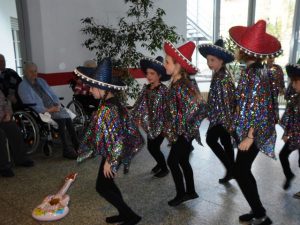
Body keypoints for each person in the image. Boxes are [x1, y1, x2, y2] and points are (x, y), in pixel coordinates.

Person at [75, 58, 144, 225]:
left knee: (102, 187)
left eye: (92, 87)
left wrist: (110, 161)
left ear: (101, 88)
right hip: (114, 151)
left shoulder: (108, 108)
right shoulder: (109, 102)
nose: (90, 90)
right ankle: (124, 213)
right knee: (107, 184)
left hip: (115, 152)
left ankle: (130, 216)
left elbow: (118, 137)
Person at [229, 20, 282, 225]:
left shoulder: (257, 74)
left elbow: (259, 108)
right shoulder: (253, 71)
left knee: (240, 170)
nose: (235, 49)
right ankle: (257, 209)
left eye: (238, 46)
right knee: (243, 170)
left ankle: (261, 215)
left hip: (254, 132)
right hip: (251, 129)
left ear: (245, 51)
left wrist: (250, 136)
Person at [163, 40, 207, 206]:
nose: (164, 65)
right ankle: (191, 191)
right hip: (181, 133)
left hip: (184, 133)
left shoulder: (183, 85)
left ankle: (182, 194)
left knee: (172, 161)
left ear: (178, 65)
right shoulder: (175, 82)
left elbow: (199, 107)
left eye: (167, 62)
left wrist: (182, 128)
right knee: (182, 161)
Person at [18, 62, 79, 159]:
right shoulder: (22, 86)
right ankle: (67, 150)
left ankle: (78, 147)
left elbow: (52, 94)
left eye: (35, 71)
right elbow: (30, 104)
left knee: (68, 119)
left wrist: (57, 103)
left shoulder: (41, 81)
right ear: (25, 72)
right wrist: (49, 109)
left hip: (54, 107)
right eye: (31, 72)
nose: (34, 74)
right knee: (62, 120)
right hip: (42, 111)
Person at [198, 39, 236, 184]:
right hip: (220, 117)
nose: (209, 63)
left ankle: (231, 169)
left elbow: (227, 102)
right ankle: (231, 170)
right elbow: (215, 98)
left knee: (211, 139)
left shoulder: (223, 77)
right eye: (208, 60)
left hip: (223, 118)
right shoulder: (219, 73)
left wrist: (227, 122)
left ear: (221, 60)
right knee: (226, 143)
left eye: (212, 60)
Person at [131, 56, 170, 178]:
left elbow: (169, 108)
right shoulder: (147, 88)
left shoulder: (164, 90)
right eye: (147, 73)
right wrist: (134, 117)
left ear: (159, 75)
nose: (148, 76)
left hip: (162, 125)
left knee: (153, 147)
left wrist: (167, 126)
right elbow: (139, 104)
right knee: (153, 147)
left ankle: (164, 168)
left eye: (152, 73)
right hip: (150, 125)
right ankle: (160, 163)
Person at [0, 89, 34, 177]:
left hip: (3, 118)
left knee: (14, 129)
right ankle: (4, 167)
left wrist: (8, 114)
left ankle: (21, 159)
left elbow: (5, 103)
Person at [279, 59, 300, 190]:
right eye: (292, 82)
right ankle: (289, 175)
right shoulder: (295, 98)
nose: (292, 85)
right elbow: (291, 117)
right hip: (295, 136)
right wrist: (287, 133)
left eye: (296, 82)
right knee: (282, 155)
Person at [266, 57, 285, 123]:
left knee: (273, 104)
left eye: (273, 57)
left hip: (274, 91)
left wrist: (282, 88)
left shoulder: (278, 68)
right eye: (270, 57)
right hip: (265, 92)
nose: (271, 59)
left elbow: (281, 79)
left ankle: (273, 119)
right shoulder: (262, 68)